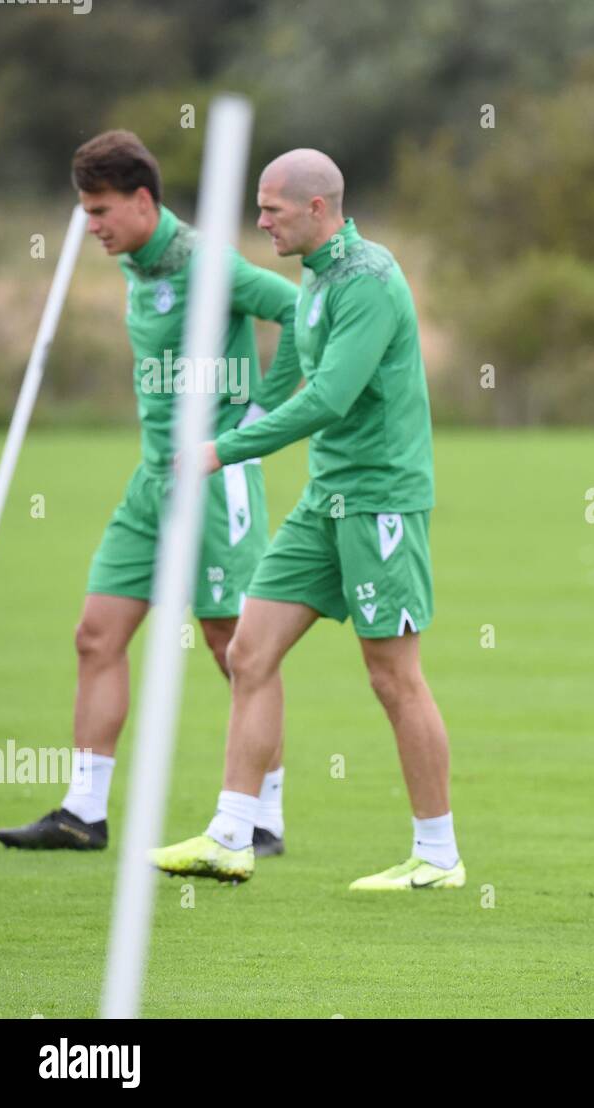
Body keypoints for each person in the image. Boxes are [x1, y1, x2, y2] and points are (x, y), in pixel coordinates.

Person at [152, 149, 464, 891]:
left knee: (394, 677)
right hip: (323, 501)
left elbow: (328, 399)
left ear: (317, 208)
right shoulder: (318, 275)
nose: (260, 222)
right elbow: (296, 355)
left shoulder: (369, 281)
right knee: (248, 653)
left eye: (272, 210)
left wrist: (220, 451)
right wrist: (255, 411)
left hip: (379, 501)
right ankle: (233, 833)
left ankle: (439, 855)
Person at [0, 130, 301, 857]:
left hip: (215, 477)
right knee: (95, 635)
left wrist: (259, 417)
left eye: (100, 210)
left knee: (234, 646)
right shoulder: (134, 260)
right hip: (151, 479)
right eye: (84, 212)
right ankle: (83, 812)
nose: (91, 226)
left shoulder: (206, 263)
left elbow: (295, 311)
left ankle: (264, 816)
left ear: (142, 200)